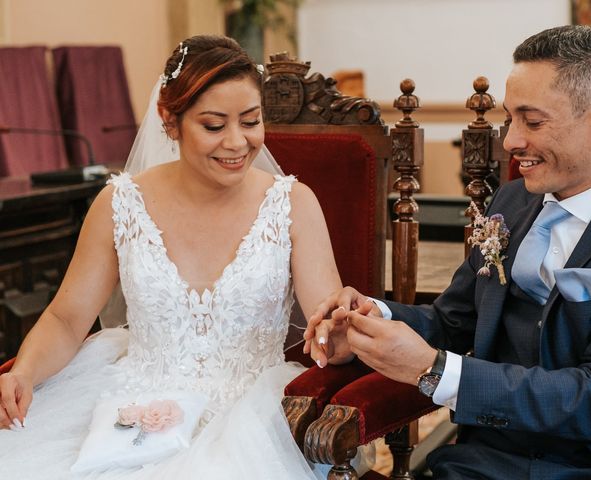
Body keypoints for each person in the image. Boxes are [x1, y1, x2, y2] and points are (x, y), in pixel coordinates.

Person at [0, 35, 358, 479]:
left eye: (250, 121)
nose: (237, 142)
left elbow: (329, 329)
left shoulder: (293, 204)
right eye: (213, 125)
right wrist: (25, 373)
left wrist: (339, 333)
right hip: (131, 398)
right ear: (169, 120)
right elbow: (67, 320)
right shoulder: (120, 203)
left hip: (249, 417)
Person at [306, 25, 591, 480]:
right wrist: (371, 319)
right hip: (478, 461)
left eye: (533, 121)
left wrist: (433, 370)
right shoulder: (510, 202)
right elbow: (452, 322)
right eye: (510, 118)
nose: (510, 142)